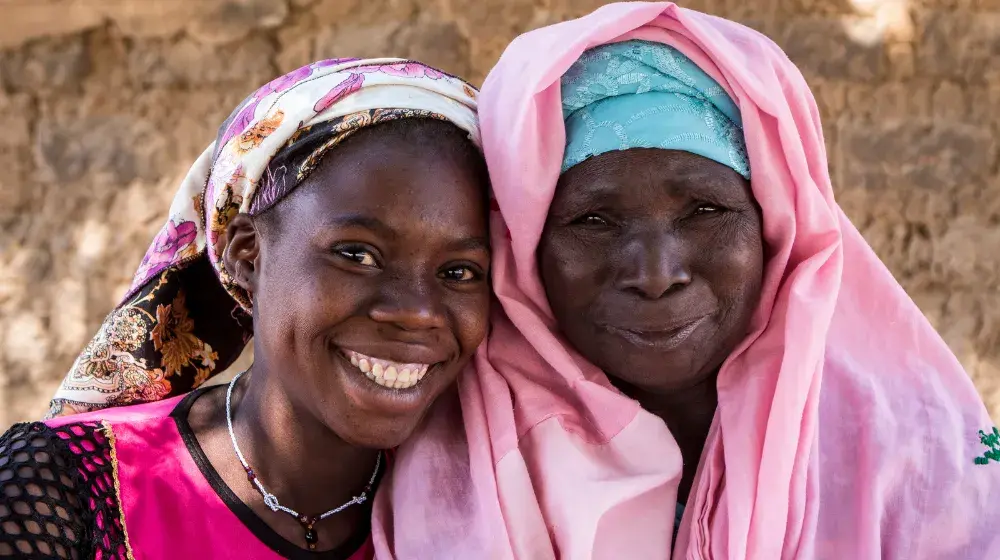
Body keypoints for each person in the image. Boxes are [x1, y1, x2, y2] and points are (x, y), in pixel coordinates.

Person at [373, 3, 1000, 558]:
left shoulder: (909, 451)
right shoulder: (463, 457)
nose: (656, 274)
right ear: (525, 249)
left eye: (706, 212)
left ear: (775, 226)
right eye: (591, 219)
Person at [0, 58, 491, 559]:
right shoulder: (67, 491)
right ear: (247, 254)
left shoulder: (492, 511)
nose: (415, 312)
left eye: (459, 272)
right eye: (357, 255)